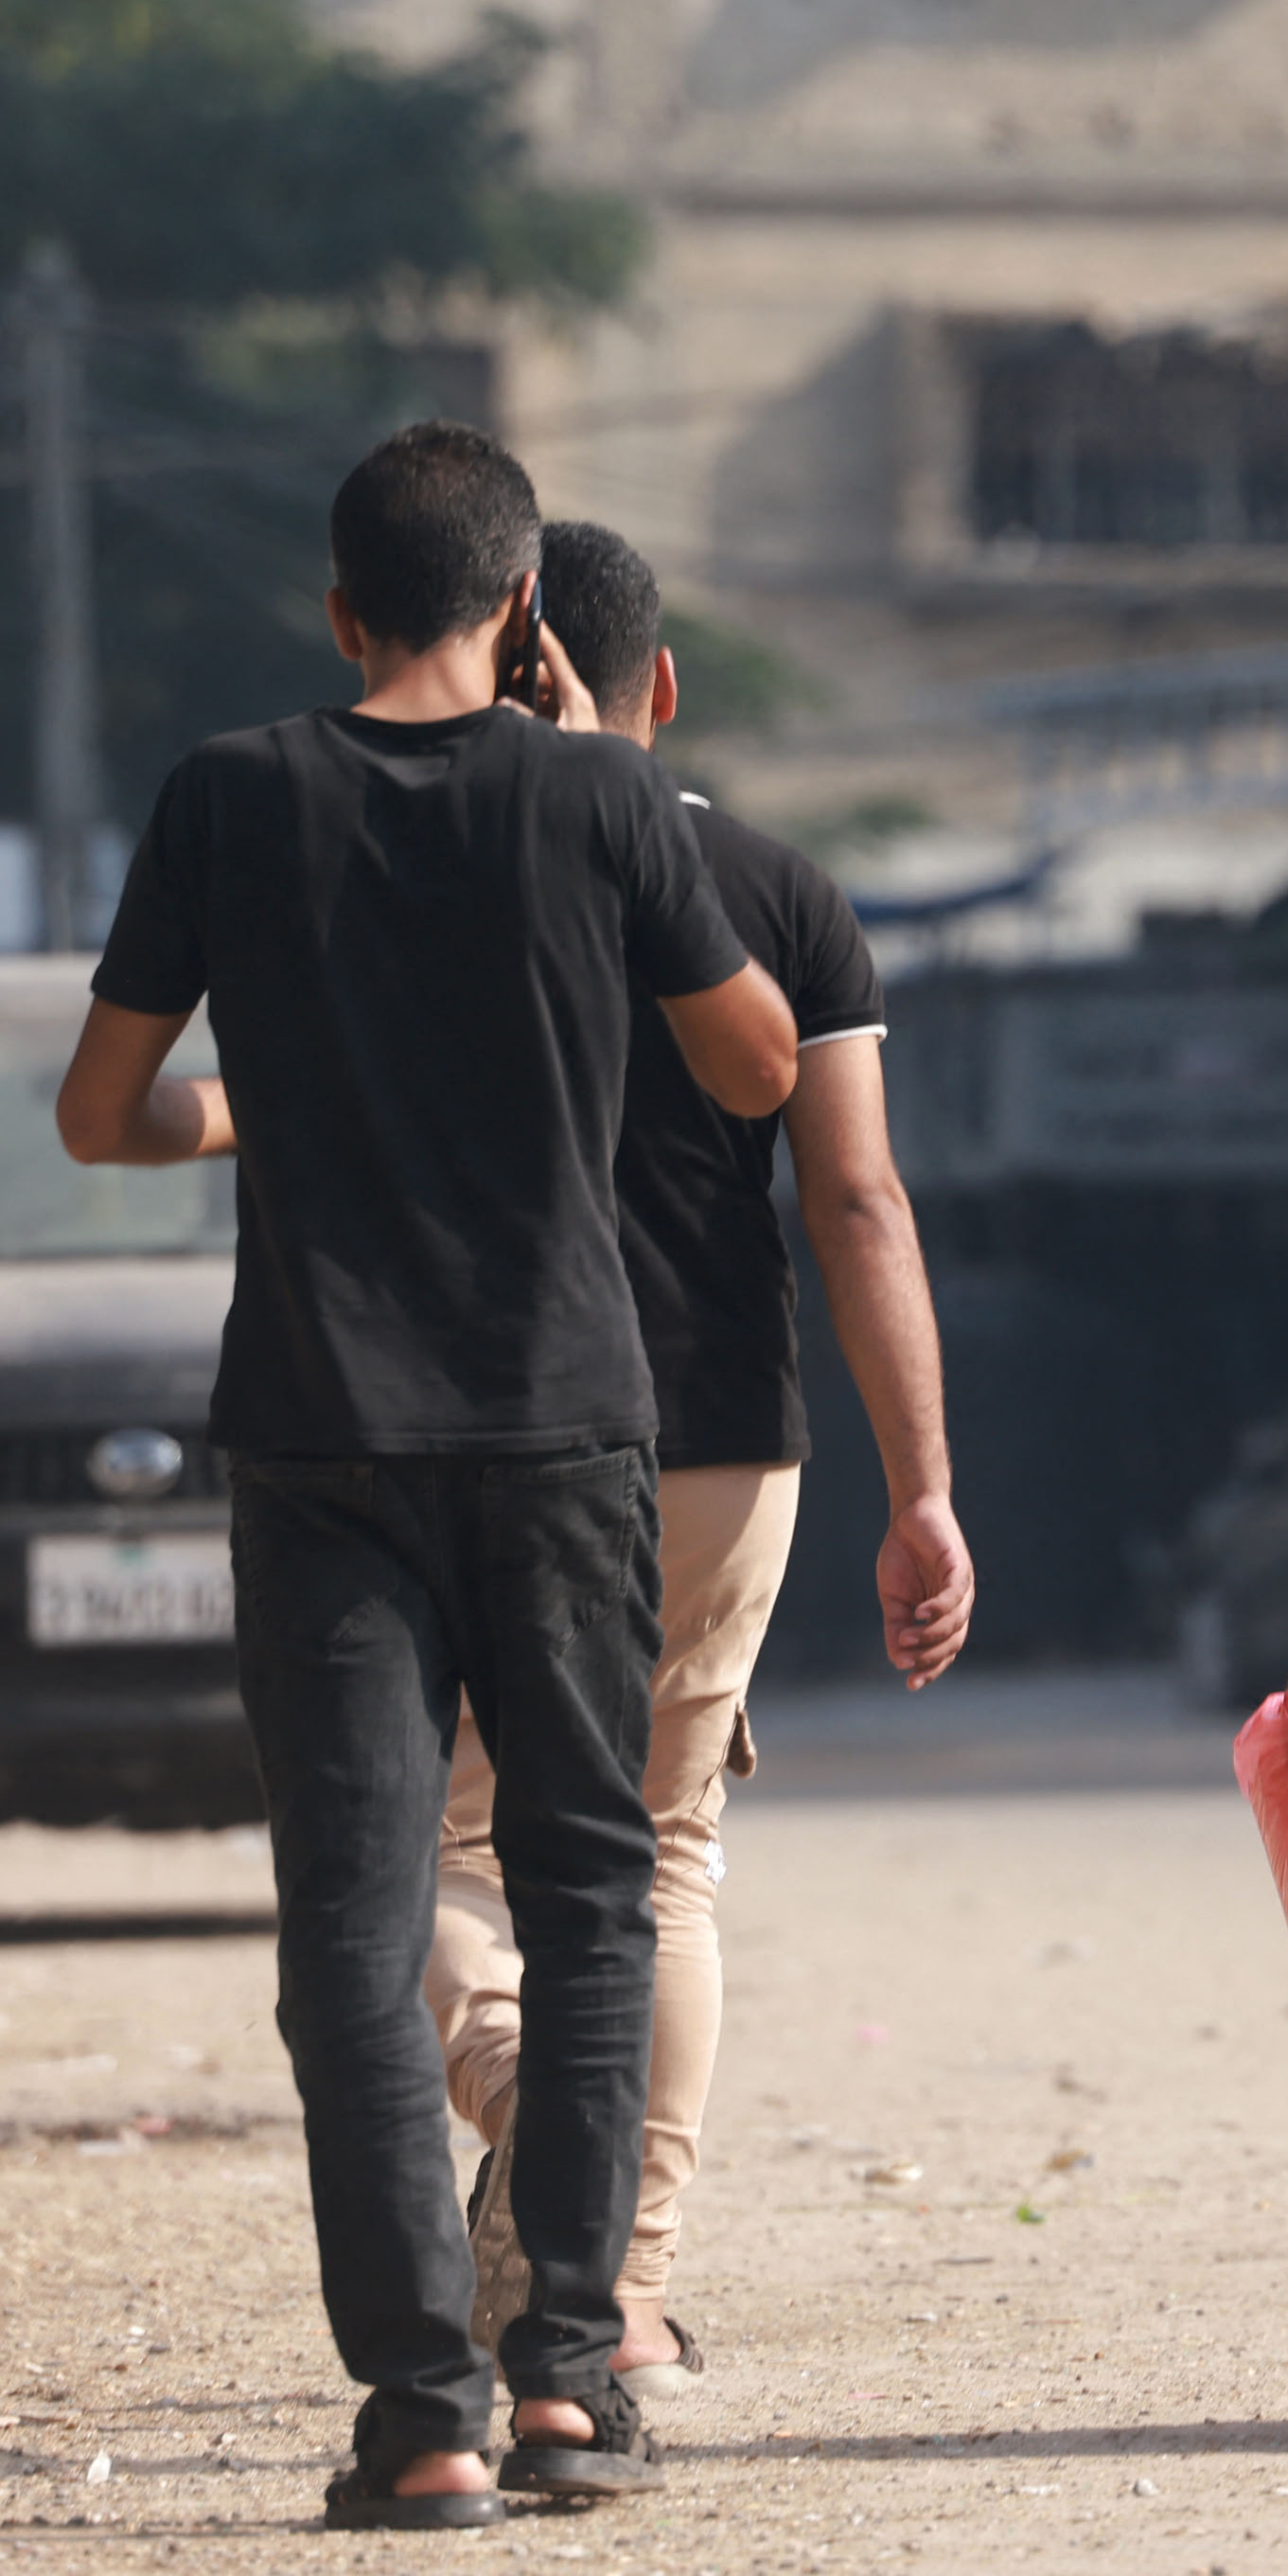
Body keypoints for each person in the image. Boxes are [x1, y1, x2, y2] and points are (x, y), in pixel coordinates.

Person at [54, 424, 798, 2528]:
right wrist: (598, 796)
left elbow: (102, 1114)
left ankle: (424, 2409)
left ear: (335, 607)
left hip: (320, 1442)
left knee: (359, 1932)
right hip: (568, 1426)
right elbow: (751, 1066)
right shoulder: (594, 799)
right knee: (586, 1893)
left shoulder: (229, 793)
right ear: (528, 618)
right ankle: (570, 2368)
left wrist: (266, 1112)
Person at [424, 522, 977, 2395]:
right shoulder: (775, 885)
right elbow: (858, 1194)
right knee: (661, 1859)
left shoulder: (423, 870)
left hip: (472, 1425)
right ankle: (624, 2289)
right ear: (660, 686)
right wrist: (921, 1489)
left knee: (427, 1843)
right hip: (725, 1435)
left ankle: (522, 2099)